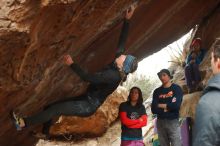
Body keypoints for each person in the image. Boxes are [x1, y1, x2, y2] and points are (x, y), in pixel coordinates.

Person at [12, 5, 138, 136]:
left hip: (87, 106)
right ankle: (45, 133)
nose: (123, 55)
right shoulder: (118, 64)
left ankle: (21, 123)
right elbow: (121, 44)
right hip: (86, 98)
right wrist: (127, 20)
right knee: (50, 107)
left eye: (124, 57)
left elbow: (87, 78)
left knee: (55, 109)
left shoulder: (113, 76)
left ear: (123, 65)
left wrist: (72, 64)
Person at [193, 42, 220, 146]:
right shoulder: (192, 54)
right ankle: (193, 84)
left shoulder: (209, 102)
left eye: (212, 59)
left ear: (218, 62)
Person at [151, 69, 183, 146]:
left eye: (164, 75)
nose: (162, 77)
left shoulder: (176, 89)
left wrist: (160, 105)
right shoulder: (157, 91)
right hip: (160, 122)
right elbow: (154, 109)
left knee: (176, 144)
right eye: (160, 76)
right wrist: (168, 106)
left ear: (169, 76)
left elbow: (176, 106)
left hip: (173, 121)